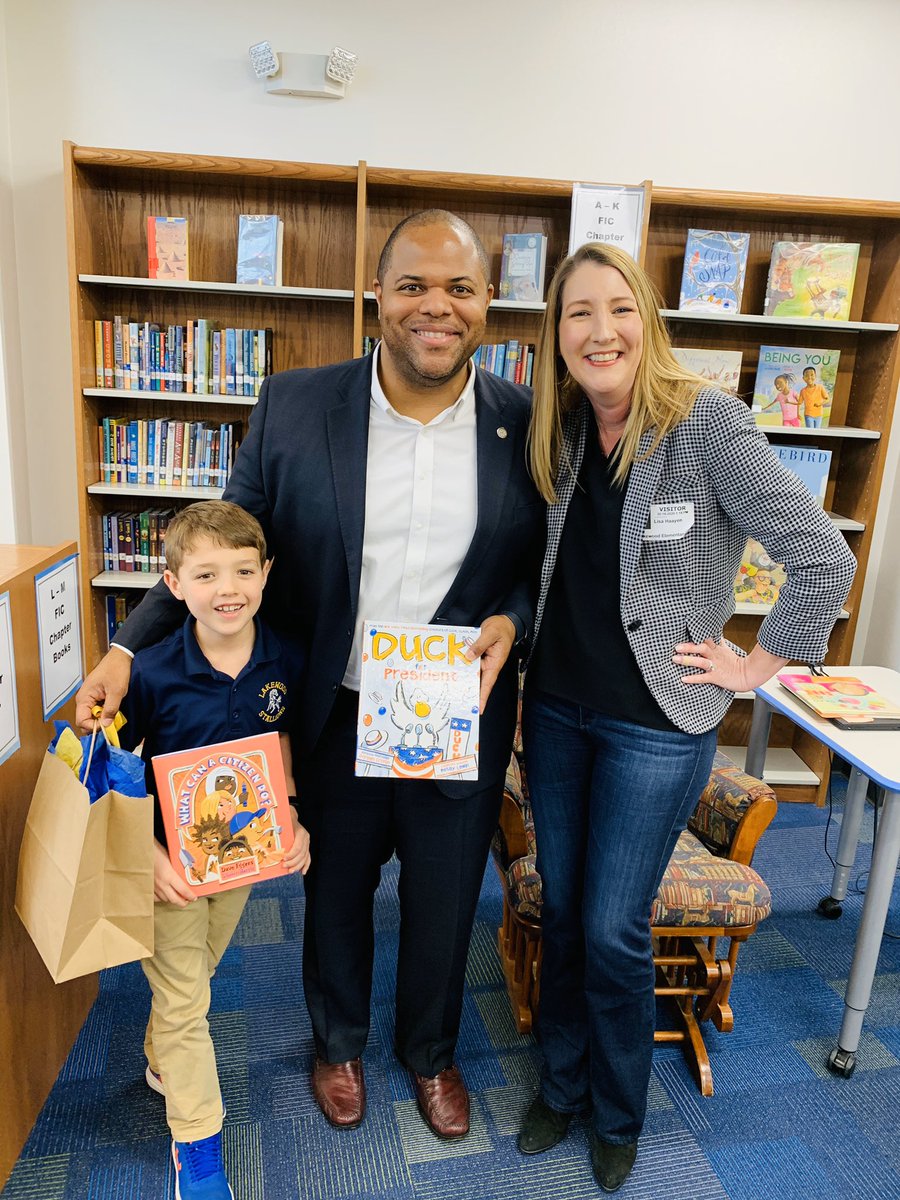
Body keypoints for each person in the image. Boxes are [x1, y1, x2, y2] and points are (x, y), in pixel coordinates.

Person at [75, 210, 543, 1141]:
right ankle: (338, 1042)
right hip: (333, 707)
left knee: (445, 896)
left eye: (459, 287)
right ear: (378, 296)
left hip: (454, 714)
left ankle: (430, 1052)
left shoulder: (527, 424)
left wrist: (512, 621)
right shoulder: (294, 405)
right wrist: (127, 648)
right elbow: (222, 543)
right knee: (335, 889)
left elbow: (540, 567)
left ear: (488, 302)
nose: (435, 307)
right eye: (413, 285)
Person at [517, 242, 855, 1192]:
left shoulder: (705, 424)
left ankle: (618, 1114)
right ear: (558, 334)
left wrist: (761, 665)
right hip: (555, 715)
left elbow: (822, 555)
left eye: (616, 308)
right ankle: (564, 1086)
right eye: (577, 313)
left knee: (616, 925)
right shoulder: (565, 429)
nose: (599, 330)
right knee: (566, 910)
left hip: (655, 726)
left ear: (647, 318)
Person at [115, 500, 311, 1200]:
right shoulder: (153, 672)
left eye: (243, 570)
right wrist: (149, 854)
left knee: (195, 972)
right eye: (205, 574)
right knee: (187, 1004)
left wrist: (291, 814)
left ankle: (160, 1058)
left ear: (266, 575)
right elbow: (115, 764)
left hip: (239, 863)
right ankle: (197, 1145)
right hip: (168, 864)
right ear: (174, 586)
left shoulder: (283, 658)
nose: (227, 588)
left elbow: (282, 741)